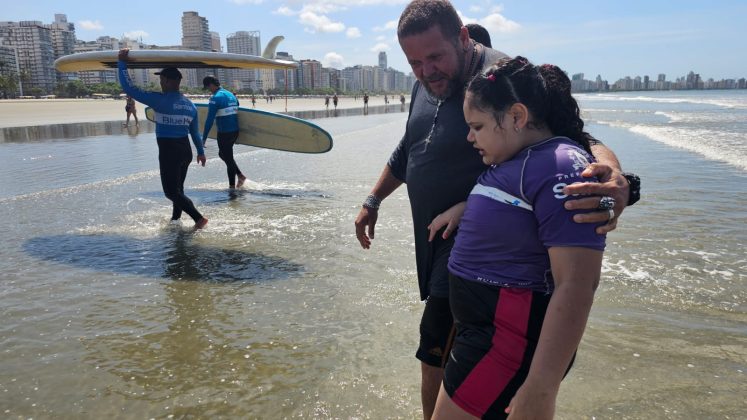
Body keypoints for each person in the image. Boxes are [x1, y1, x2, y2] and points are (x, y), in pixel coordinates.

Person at [353, 1, 638, 418]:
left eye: (435, 57)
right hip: (440, 252)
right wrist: (373, 199)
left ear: (463, 38)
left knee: (460, 358)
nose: (426, 70)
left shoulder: (503, 82)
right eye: (414, 62)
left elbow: (573, 139)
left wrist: (614, 174)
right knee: (433, 354)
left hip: (495, 273)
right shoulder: (425, 83)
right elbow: (409, 148)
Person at [428, 56, 606, 419]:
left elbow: (576, 284)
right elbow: (518, 207)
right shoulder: (525, 159)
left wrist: (542, 387)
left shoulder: (559, 167)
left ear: (516, 117)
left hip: (505, 343)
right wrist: (469, 207)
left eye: (476, 126)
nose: (469, 136)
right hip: (486, 334)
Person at [118, 48, 208, 229]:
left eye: (161, 79)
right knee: (178, 190)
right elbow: (194, 132)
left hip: (169, 150)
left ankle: (198, 219)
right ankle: (175, 220)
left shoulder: (160, 100)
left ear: (167, 81)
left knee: (170, 192)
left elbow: (129, 88)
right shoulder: (190, 104)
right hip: (185, 151)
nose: (160, 83)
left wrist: (122, 64)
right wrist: (200, 152)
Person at [202, 76, 247, 189]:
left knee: (228, 158)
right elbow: (237, 107)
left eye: (208, 88)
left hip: (224, 133)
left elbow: (209, 120)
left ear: (211, 85)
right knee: (223, 155)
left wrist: (204, 138)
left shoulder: (215, 98)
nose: (209, 90)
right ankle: (240, 175)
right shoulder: (231, 94)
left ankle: (232, 189)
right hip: (234, 131)